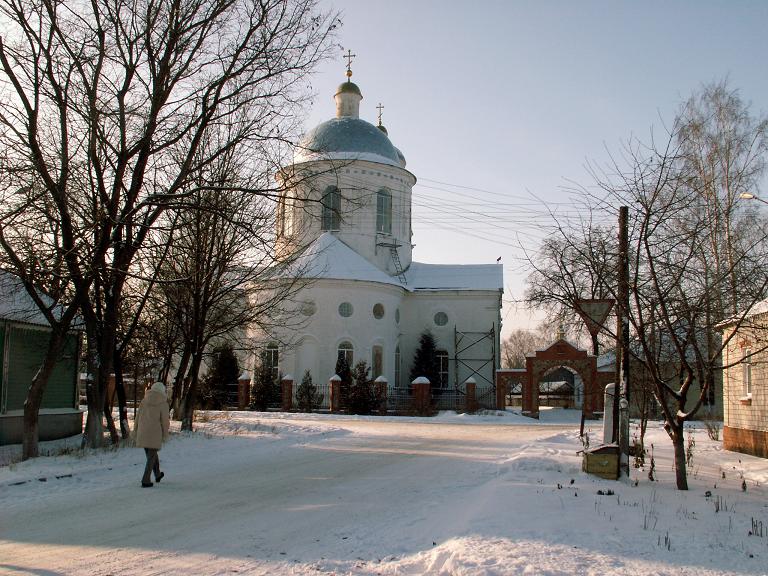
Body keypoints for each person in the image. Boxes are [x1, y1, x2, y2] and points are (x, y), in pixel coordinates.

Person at [134, 381, 170, 487]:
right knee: (151, 456)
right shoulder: (163, 403)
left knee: (152, 455)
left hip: (142, 431)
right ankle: (145, 480)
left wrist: (135, 430)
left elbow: (137, 417)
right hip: (155, 433)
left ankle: (157, 474)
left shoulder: (144, 401)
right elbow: (165, 421)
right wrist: (165, 434)